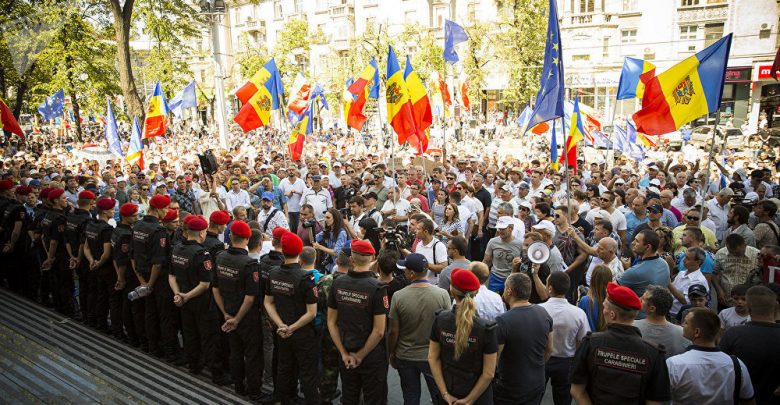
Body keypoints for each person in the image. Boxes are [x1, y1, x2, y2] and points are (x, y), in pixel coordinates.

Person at [570, 282, 671, 404]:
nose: (603, 309)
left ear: (612, 315)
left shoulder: (591, 343)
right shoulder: (654, 354)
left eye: (605, 306)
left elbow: (576, 390)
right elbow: (655, 402)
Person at [167, 215, 228, 384]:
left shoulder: (177, 248)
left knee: (190, 333)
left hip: (184, 300)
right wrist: (185, 296)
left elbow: (171, 276)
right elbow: (205, 284)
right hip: (201, 301)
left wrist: (178, 294)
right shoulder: (202, 254)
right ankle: (217, 373)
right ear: (202, 233)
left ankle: (194, 365)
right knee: (209, 337)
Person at [327, 240, 389, 404]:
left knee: (349, 396)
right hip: (371, 355)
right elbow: (379, 331)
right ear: (372, 258)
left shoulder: (338, 282)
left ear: (352, 260)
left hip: (346, 350)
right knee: (373, 398)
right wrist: (359, 356)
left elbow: (331, 322)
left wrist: (344, 353)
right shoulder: (378, 288)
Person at [263, 232, 321, 404]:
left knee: (284, 369)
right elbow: (311, 313)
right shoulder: (306, 278)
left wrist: (281, 325)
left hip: (282, 332)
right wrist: (292, 328)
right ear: (299, 252)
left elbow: (268, 303)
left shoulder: (273, 273)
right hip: (303, 333)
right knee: (308, 375)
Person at [388, 253, 451, 405]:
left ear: (411, 273)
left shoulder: (398, 296)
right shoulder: (442, 294)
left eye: (405, 270)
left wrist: (391, 352)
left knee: (410, 397)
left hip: (406, 355)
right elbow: (447, 325)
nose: (403, 272)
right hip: (433, 357)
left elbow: (393, 331)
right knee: (439, 396)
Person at [212, 220, 264, 400]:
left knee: (235, 351)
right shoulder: (250, 265)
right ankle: (254, 390)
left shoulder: (220, 257)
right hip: (246, 317)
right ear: (248, 238)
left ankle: (238, 385)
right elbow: (250, 297)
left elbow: (215, 288)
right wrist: (237, 318)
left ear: (230, 236)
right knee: (251, 354)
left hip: (228, 312)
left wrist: (226, 314)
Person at [428, 268, 497, 405]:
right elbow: (489, 373)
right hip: (478, 396)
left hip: (448, 389)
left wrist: (445, 394)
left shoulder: (440, 319)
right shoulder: (487, 329)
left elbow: (432, 358)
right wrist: (468, 401)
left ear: (451, 290)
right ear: (476, 292)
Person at [666, 308, 755, 404]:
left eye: (686, 323)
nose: (682, 325)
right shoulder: (737, 364)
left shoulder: (674, 364)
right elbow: (749, 401)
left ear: (697, 332)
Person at [493, 272, 553, 404]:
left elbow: (494, 358)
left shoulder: (503, 321)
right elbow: (549, 349)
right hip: (536, 383)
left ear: (509, 291)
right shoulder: (544, 314)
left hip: (510, 388)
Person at [131, 194, 177, 359]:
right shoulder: (159, 231)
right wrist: (150, 284)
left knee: (150, 313)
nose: (167, 212)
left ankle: (152, 346)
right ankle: (170, 352)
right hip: (157, 280)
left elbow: (133, 256)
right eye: (165, 208)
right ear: (157, 209)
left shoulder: (137, 226)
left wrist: (143, 282)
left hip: (142, 275)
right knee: (165, 317)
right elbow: (158, 263)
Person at [721, 285, 780, 405]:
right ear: (776, 306)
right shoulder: (734, 334)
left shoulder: (734, 334)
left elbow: (720, 369)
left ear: (748, 307)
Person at [539, 271, 590, 405]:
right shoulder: (578, 313)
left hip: (541, 359)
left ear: (550, 288)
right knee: (563, 400)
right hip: (566, 362)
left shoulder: (538, 310)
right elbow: (583, 341)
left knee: (535, 396)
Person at [83, 198, 117, 335]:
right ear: (104, 211)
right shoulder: (106, 229)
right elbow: (107, 253)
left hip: (94, 267)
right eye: (112, 209)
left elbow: (86, 247)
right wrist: (99, 263)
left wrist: (92, 261)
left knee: (97, 295)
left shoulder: (91, 224)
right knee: (109, 299)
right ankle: (107, 326)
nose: (114, 211)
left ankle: (95, 320)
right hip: (106, 269)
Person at [111, 203, 143, 348]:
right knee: (132, 307)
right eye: (134, 216)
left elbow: (114, 257)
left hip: (122, 272)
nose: (136, 218)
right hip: (129, 275)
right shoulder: (125, 235)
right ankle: (134, 336)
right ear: (124, 217)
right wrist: (121, 278)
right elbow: (122, 260)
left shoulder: (117, 230)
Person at [620, 229, 671, 315]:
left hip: (638, 319)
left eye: (637, 241)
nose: (632, 243)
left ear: (648, 247)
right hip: (658, 316)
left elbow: (610, 291)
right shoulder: (664, 264)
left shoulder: (635, 271)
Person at [634, 285, 691, 358]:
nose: (640, 299)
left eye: (644, 299)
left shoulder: (632, 327)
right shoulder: (682, 333)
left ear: (652, 308)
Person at [65, 190, 96, 325]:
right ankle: (89, 316)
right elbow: (83, 243)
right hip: (82, 259)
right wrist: (78, 257)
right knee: (89, 289)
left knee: (82, 287)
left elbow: (66, 239)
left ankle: (84, 314)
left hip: (73, 255)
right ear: (92, 203)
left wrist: (72, 256)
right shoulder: (87, 220)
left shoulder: (71, 216)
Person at [714, 234, 762, 305]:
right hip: (726, 299)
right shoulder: (721, 253)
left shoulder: (756, 255)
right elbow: (715, 273)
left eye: (737, 253)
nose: (734, 255)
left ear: (745, 245)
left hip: (748, 300)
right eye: (731, 252)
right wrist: (719, 291)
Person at [483, 216, 524, 293]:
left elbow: (524, 262)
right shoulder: (492, 242)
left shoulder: (519, 244)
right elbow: (486, 261)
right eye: (499, 228)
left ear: (511, 228)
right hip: (495, 278)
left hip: (512, 279)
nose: (500, 231)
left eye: (503, 229)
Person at [669, 247, 710, 319]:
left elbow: (686, 301)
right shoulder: (681, 273)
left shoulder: (699, 280)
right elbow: (670, 292)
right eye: (685, 257)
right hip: (670, 312)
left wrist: (669, 284)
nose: (684, 260)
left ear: (698, 262)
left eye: (688, 258)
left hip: (682, 317)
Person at [313, 208, 348, 274]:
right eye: (325, 217)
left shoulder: (341, 233)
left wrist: (319, 247)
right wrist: (311, 227)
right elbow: (314, 239)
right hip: (328, 264)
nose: (325, 220)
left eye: (328, 217)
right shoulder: (327, 230)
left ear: (335, 219)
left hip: (337, 265)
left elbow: (336, 252)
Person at [579, 265, 613, 332]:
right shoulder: (612, 301)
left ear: (592, 279)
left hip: (589, 340)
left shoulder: (585, 301)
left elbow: (579, 325)